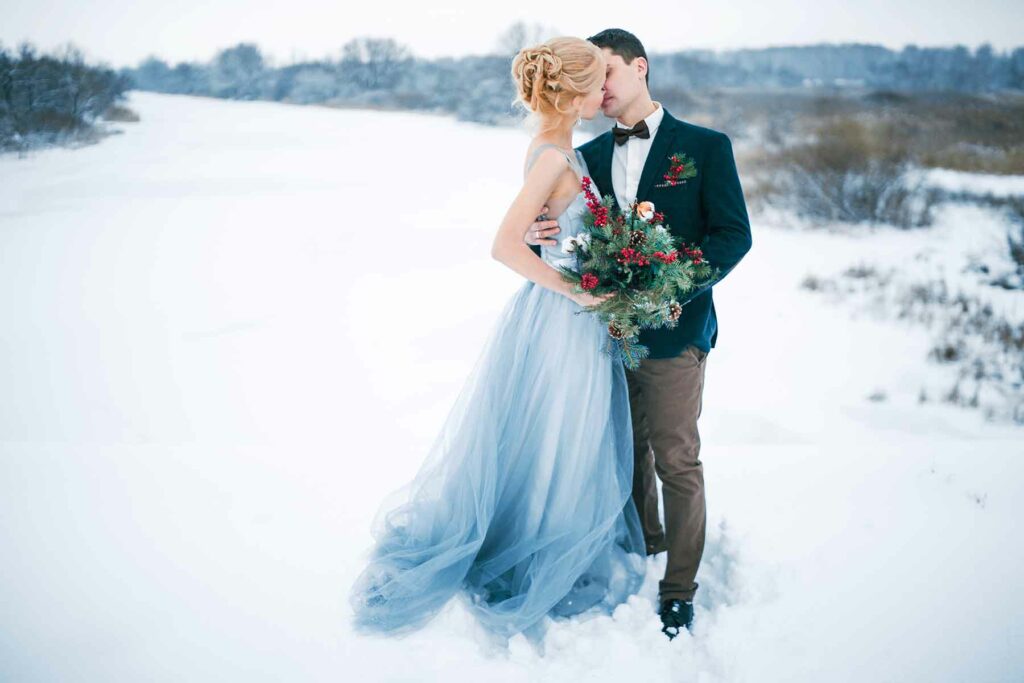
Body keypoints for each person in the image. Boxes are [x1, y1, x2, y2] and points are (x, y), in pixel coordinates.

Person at [347, 36, 647, 651]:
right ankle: (537, 551)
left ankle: (546, 534)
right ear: (572, 91)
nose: (603, 93)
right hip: (562, 321)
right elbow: (504, 245)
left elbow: (549, 229)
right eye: (595, 83)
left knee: (556, 437)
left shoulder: (554, 148)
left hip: (563, 317)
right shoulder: (552, 159)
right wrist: (580, 291)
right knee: (561, 436)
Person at [526, 28, 752, 640]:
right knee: (627, 456)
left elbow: (734, 236)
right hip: (602, 336)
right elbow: (551, 232)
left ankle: (678, 589)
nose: (597, 87)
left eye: (607, 73)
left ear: (640, 68)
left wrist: (668, 289)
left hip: (678, 332)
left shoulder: (704, 147)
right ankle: (645, 550)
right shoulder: (587, 157)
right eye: (590, 76)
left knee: (677, 459)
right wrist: (543, 236)